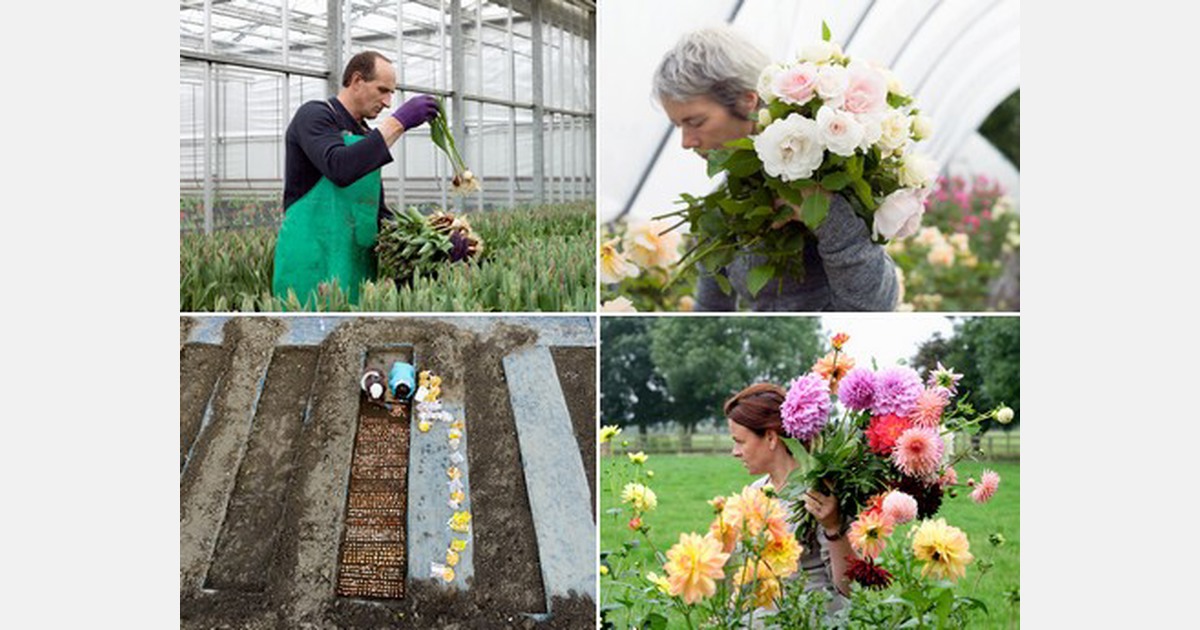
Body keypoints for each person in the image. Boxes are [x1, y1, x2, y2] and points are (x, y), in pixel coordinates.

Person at [653, 27, 899, 312]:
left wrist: (827, 215)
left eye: (695, 122)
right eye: (678, 126)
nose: (686, 142)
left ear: (748, 101)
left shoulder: (824, 176)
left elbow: (875, 307)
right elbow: (710, 310)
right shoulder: (723, 207)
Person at [272, 50, 440, 304]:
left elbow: (377, 213)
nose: (388, 102)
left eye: (392, 93)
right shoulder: (315, 115)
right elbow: (340, 167)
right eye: (383, 90)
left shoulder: (366, 136)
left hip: (355, 266)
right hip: (311, 263)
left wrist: (435, 239)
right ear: (357, 80)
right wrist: (398, 123)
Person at [723, 382, 853, 612]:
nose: (735, 452)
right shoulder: (754, 493)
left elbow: (849, 587)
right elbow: (748, 579)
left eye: (740, 441)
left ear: (771, 438)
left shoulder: (819, 491)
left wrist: (834, 526)